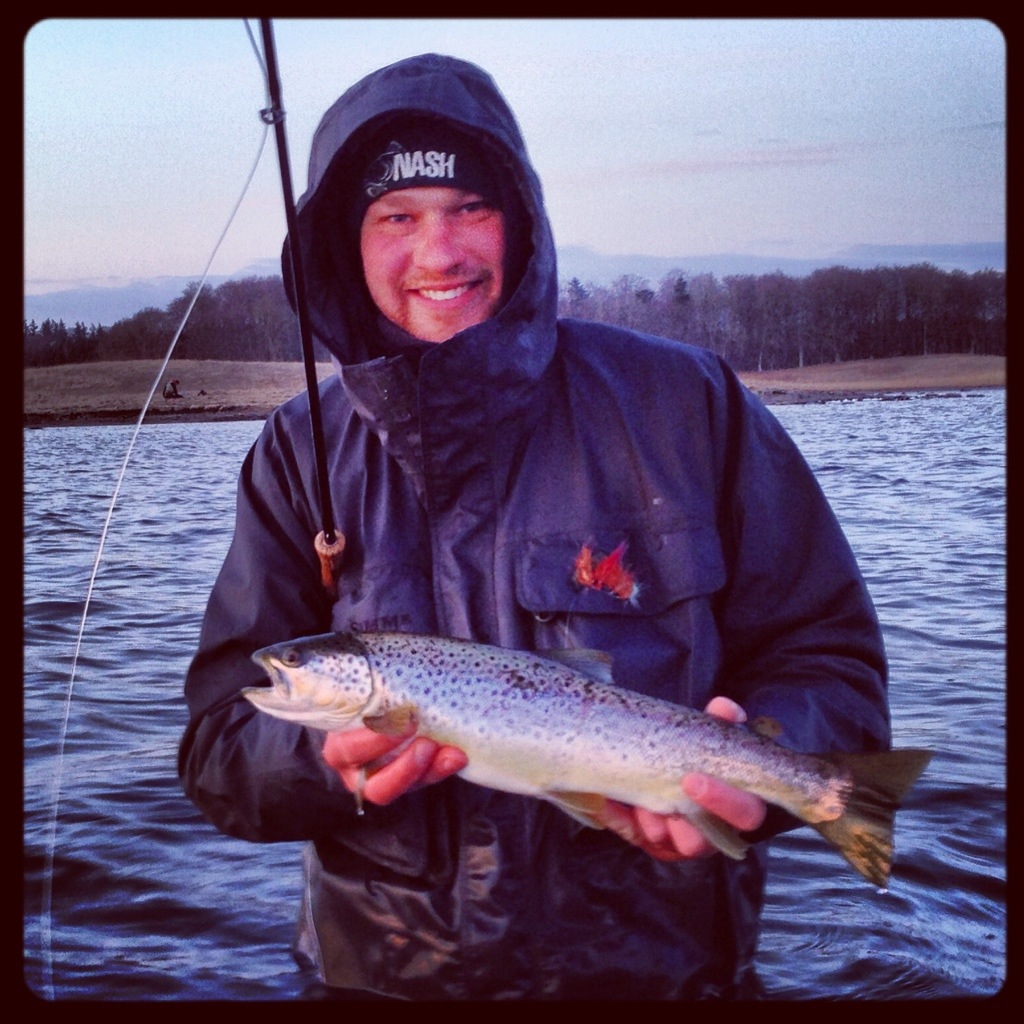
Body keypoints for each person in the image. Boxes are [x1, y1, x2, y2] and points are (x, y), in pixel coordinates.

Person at [179, 53, 890, 1000]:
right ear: (344, 246)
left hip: (666, 980)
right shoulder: (295, 453)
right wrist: (324, 761)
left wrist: (761, 777)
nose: (439, 253)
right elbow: (219, 751)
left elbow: (831, 663)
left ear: (522, 222)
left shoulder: (690, 404)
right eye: (396, 218)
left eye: (470, 207)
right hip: (379, 980)